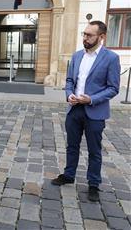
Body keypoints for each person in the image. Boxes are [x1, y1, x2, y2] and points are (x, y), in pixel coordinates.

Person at [51, 21, 120, 202]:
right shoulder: (77, 56)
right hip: (74, 109)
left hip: (95, 111)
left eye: (89, 35)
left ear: (101, 37)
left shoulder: (111, 58)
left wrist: (91, 99)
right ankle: (69, 174)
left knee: (94, 150)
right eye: (84, 34)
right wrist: (69, 95)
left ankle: (93, 184)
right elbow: (69, 81)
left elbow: (113, 88)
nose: (85, 38)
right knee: (71, 146)